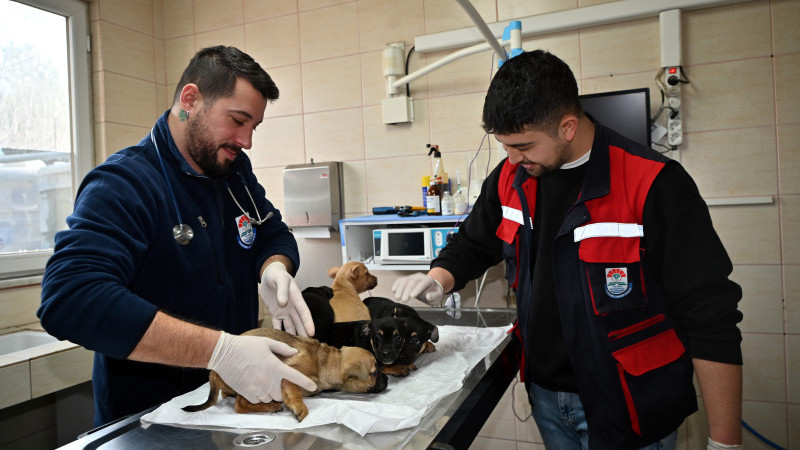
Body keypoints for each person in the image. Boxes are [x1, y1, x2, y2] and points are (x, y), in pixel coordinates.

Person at [392, 50, 743, 450]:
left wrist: (725, 441)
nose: (512, 159)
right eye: (505, 146)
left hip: (631, 403)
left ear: (569, 127)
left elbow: (710, 316)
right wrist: (439, 278)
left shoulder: (652, 182)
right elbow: (474, 241)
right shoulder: (512, 176)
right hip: (546, 397)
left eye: (523, 146)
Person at [38, 46, 316, 427]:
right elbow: (70, 298)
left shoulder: (232, 172)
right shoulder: (124, 183)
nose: (246, 140)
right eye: (238, 120)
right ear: (190, 100)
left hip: (234, 407)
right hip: (150, 419)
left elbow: (272, 232)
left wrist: (274, 268)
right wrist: (221, 351)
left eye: (254, 127)